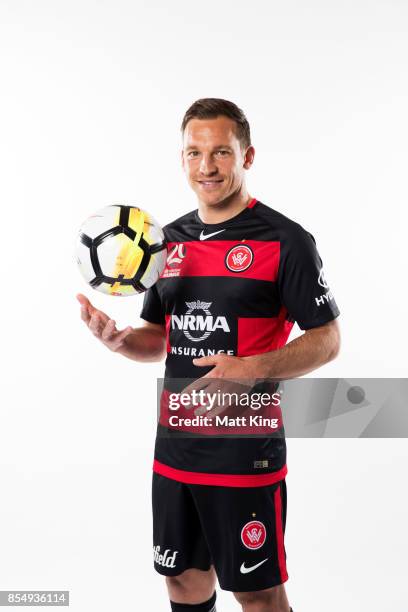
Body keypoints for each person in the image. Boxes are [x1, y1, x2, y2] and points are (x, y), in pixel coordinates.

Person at [77, 98, 340, 612]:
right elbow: (158, 337)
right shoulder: (165, 242)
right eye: (195, 152)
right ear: (182, 159)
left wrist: (253, 368)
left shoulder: (286, 240)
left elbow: (328, 338)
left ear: (247, 157)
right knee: (184, 582)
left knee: (258, 594)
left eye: (221, 151)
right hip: (176, 449)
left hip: (245, 452)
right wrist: (121, 340)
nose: (207, 166)